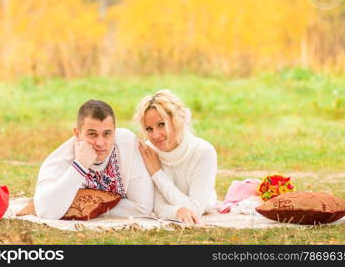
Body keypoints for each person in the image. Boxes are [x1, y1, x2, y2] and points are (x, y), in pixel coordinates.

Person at [34, 100, 154, 219]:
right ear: (77, 133)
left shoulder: (127, 144)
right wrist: (80, 166)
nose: (100, 143)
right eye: (92, 134)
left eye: (107, 134)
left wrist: (83, 207)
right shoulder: (60, 161)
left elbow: (143, 207)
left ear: (114, 132)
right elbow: (45, 212)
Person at [135, 89, 217, 224]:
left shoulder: (203, 152)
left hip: (205, 205)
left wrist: (157, 173)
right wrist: (177, 212)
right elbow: (158, 206)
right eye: (149, 129)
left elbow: (195, 210)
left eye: (161, 124)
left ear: (178, 120)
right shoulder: (149, 151)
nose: (155, 135)